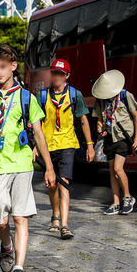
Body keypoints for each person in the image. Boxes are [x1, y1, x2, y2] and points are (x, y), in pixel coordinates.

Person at [0, 45, 56, 272]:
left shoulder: (26, 97)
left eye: (3, 67)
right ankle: (7, 246)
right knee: (0, 219)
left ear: (13, 66)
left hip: (22, 164)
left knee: (20, 217)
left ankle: (19, 270)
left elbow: (39, 133)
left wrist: (48, 167)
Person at [37, 59, 94, 239]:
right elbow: (35, 122)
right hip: (47, 145)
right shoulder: (42, 96)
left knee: (64, 183)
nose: (56, 77)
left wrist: (90, 145)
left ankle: (65, 225)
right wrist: (34, 146)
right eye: (54, 73)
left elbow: (83, 120)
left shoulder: (75, 95)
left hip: (68, 143)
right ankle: (55, 216)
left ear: (67, 76)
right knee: (52, 183)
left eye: (61, 74)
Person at [91, 70, 137, 216]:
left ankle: (128, 197)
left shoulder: (125, 96)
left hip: (123, 137)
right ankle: (115, 202)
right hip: (109, 138)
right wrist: (100, 130)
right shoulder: (101, 100)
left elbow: (136, 116)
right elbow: (100, 119)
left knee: (119, 168)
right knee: (112, 171)